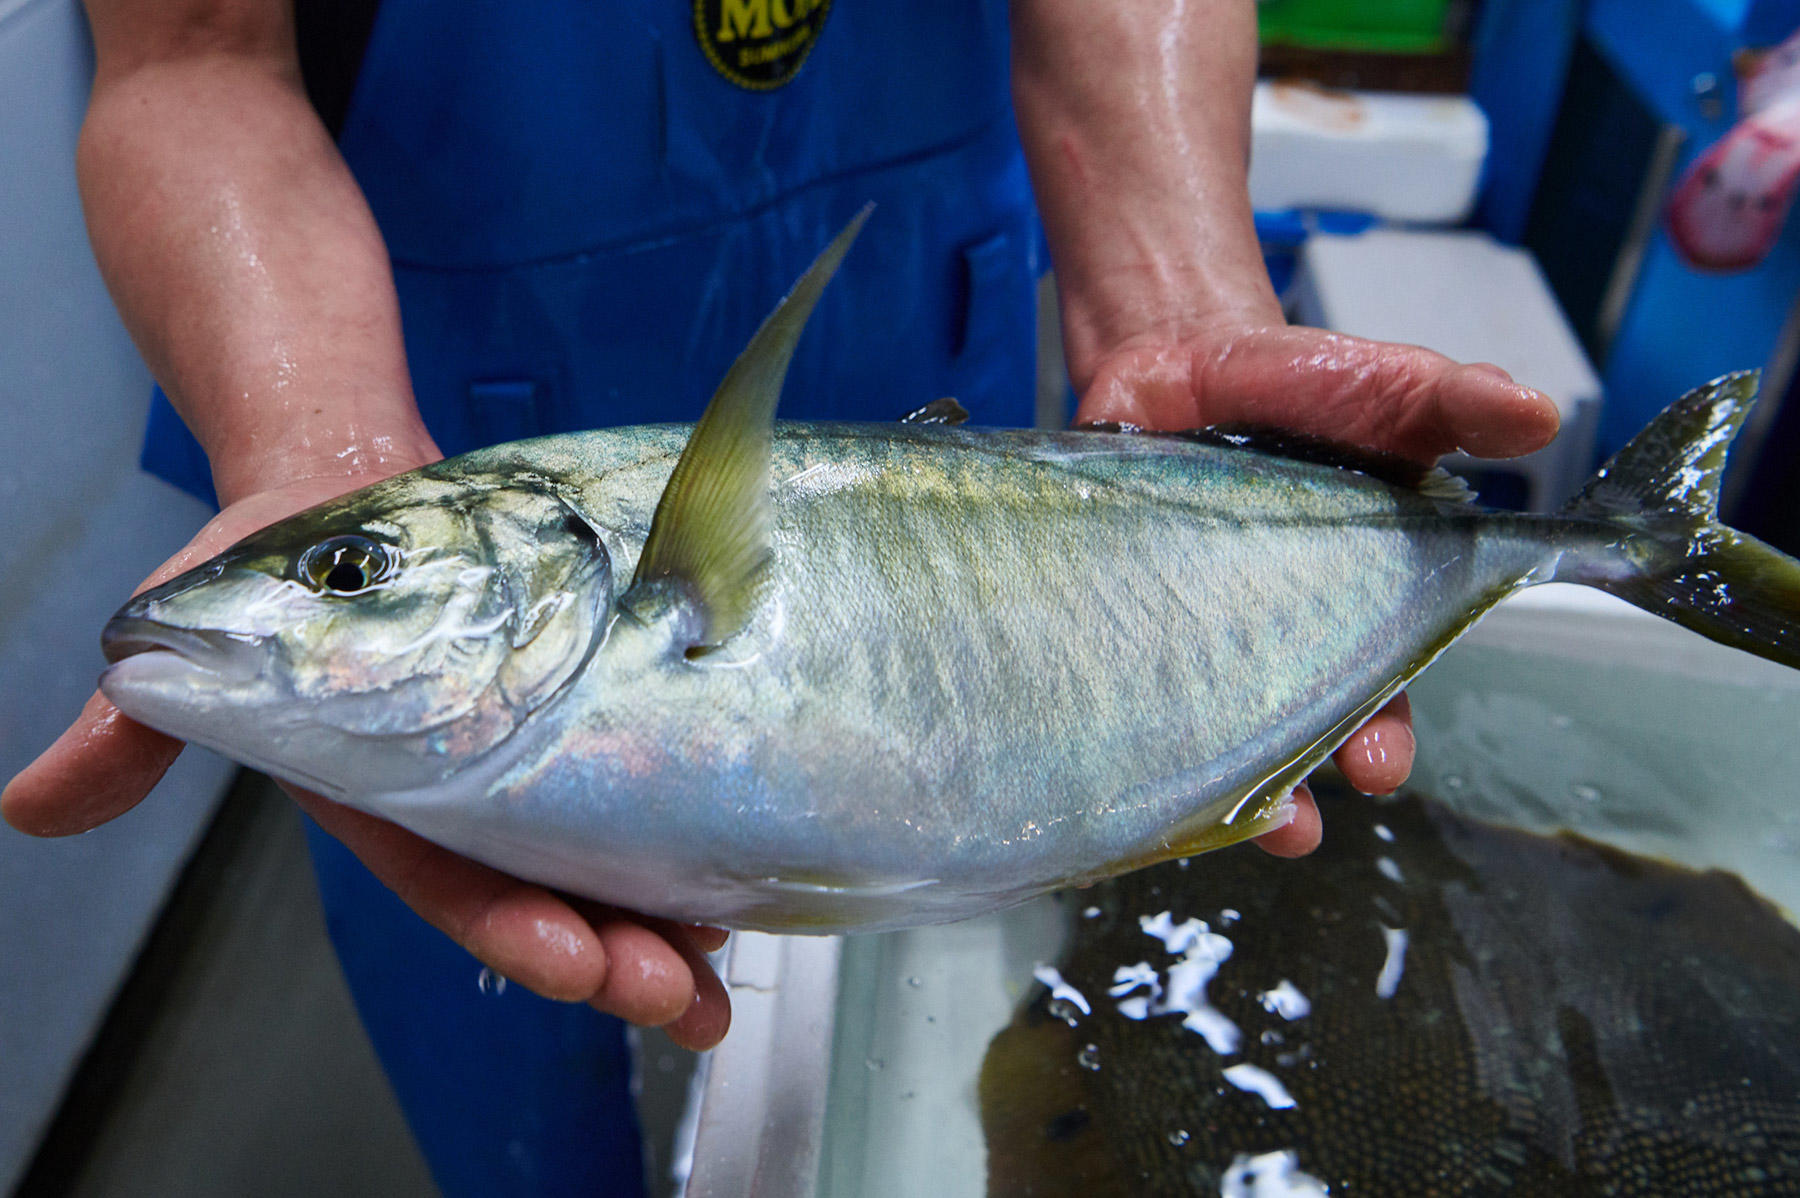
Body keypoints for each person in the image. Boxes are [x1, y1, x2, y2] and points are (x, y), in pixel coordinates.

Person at [3, 0, 1559, 1192]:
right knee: (534, 1099)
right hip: (429, 365)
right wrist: (317, 454)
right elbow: (189, 56)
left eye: (349, 570)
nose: (331, 588)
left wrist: (1180, 307)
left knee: (939, 1054)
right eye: (360, 573)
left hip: (952, 436)